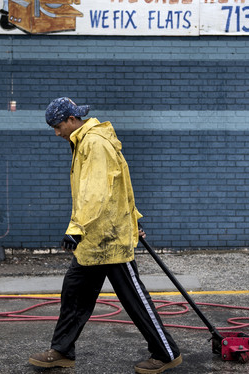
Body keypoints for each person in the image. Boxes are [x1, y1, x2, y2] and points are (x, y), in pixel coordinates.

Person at [29, 97, 182, 374]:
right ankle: (62, 350)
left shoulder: (95, 144)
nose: (56, 132)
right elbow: (119, 184)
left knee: (134, 299)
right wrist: (133, 218)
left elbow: (97, 191)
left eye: (57, 126)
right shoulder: (85, 142)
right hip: (94, 239)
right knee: (74, 292)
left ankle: (167, 353)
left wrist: (75, 228)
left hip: (109, 238)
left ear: (72, 120)